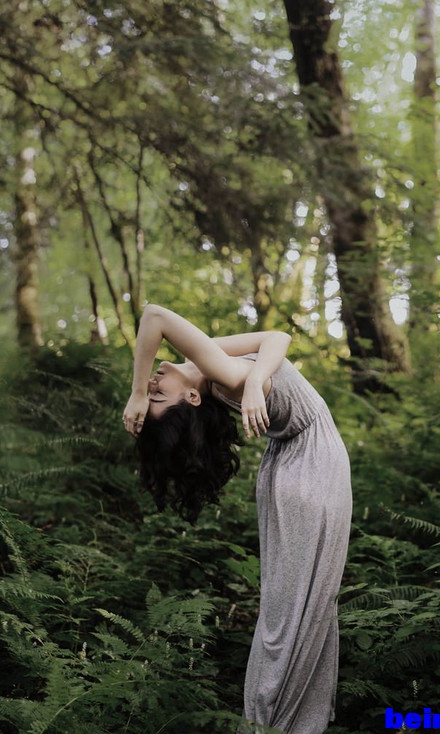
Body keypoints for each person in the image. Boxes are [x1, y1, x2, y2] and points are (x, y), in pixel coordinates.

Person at [123, 304, 352, 734]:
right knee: (290, 608)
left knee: (304, 602)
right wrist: (139, 394)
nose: (151, 385)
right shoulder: (222, 375)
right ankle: (269, 720)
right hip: (306, 467)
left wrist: (256, 382)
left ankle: (287, 720)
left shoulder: (205, 366)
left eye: (151, 394)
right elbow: (154, 316)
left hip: (301, 462)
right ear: (191, 399)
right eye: (157, 395)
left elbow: (276, 338)